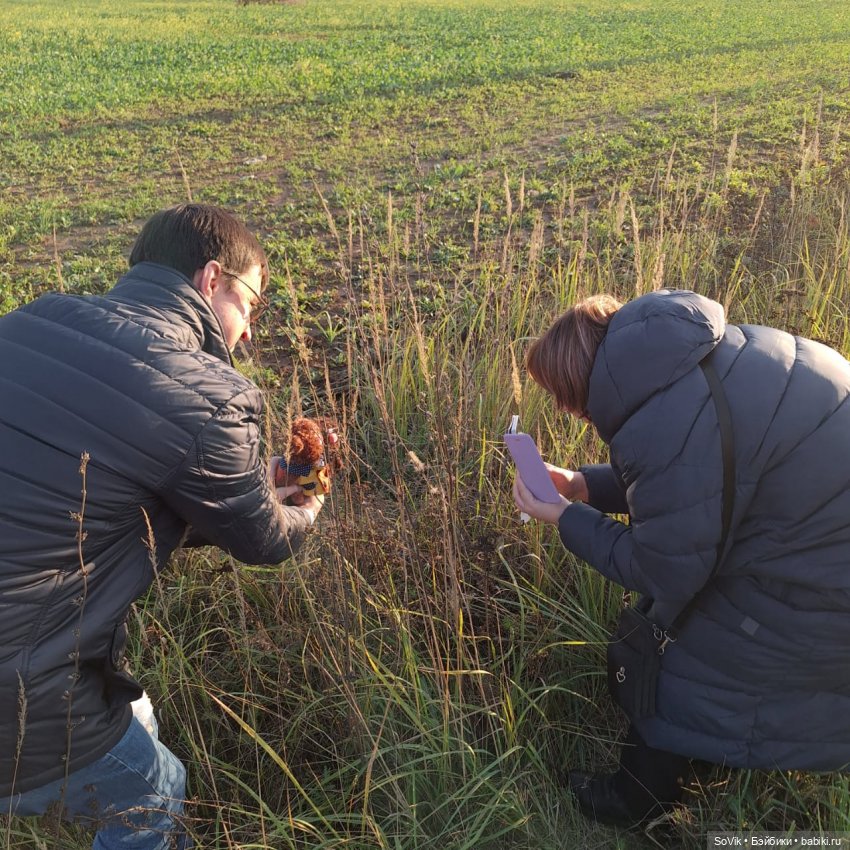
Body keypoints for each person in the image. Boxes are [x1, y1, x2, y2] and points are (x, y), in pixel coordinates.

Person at [0, 204, 324, 847]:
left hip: (26, 654)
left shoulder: (25, 324)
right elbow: (262, 539)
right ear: (211, 281)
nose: (249, 334)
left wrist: (260, 487)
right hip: (17, 695)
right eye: (252, 305)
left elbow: (112, 496)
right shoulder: (210, 394)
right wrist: (306, 508)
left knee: (137, 711)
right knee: (153, 787)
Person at [512, 289, 850, 826]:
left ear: (579, 384)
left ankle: (636, 802)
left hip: (824, 582)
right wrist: (581, 485)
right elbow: (699, 485)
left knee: (674, 646)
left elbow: (665, 569)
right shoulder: (694, 357)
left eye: (560, 395)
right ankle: (707, 752)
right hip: (819, 537)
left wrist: (563, 517)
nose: (562, 410)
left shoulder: (666, 421)